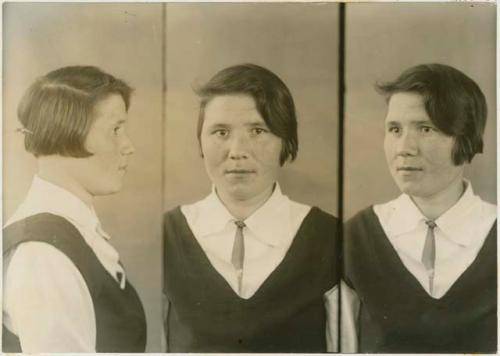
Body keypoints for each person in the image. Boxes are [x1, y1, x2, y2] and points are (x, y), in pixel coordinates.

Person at [163, 64, 339, 352]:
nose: (237, 151)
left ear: (286, 141)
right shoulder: (166, 236)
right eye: (220, 132)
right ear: (201, 142)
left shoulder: (331, 238)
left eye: (258, 130)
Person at [342, 63, 496, 353]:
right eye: (395, 129)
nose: (404, 147)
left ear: (465, 138)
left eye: (425, 129)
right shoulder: (354, 238)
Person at [2, 66, 147, 352]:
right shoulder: (43, 255)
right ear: (69, 133)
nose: (128, 146)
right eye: (115, 130)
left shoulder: (72, 230)